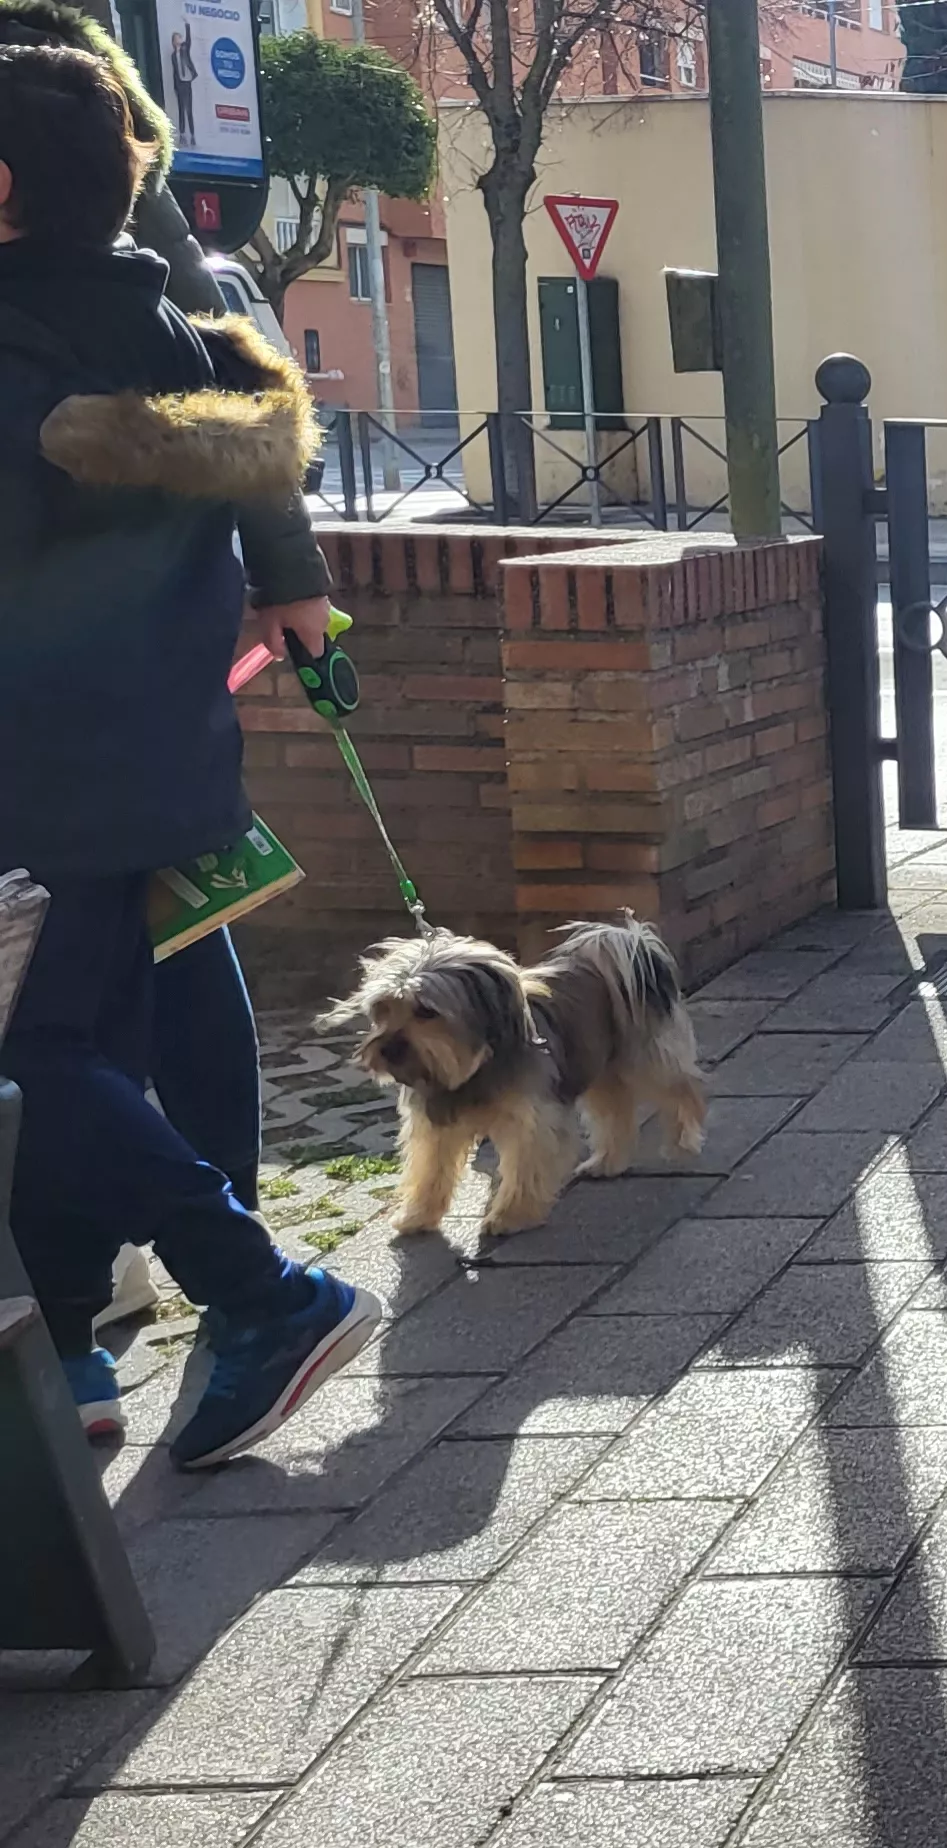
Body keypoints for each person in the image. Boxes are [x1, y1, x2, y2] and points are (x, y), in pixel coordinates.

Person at [0, 42, 376, 1466]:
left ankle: (260, 1296)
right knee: (79, 1057)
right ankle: (73, 1359)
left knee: (36, 1066)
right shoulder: (189, 337)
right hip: (157, 756)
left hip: (37, 781)